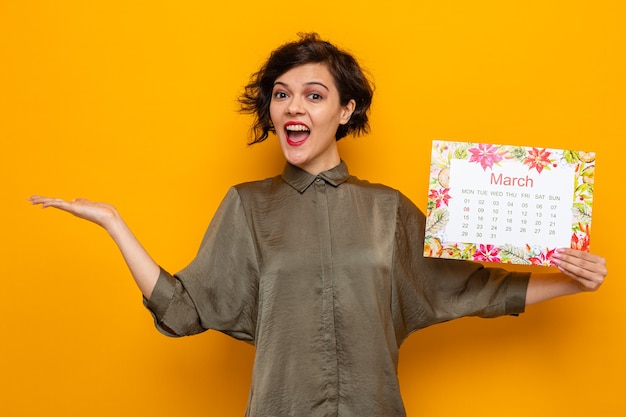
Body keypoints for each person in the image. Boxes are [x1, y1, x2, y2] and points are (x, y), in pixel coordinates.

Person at [29, 33, 607, 417]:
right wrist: (113, 224)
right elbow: (182, 311)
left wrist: (573, 281)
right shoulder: (247, 206)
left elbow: (473, 288)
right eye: (282, 96)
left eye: (313, 94)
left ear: (345, 110)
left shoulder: (389, 209)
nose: (293, 107)